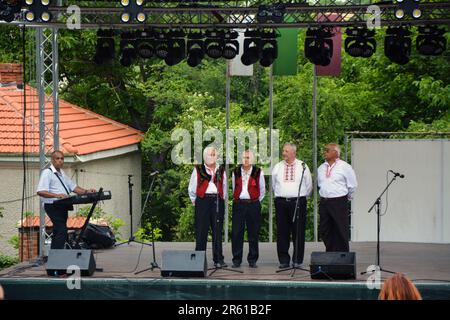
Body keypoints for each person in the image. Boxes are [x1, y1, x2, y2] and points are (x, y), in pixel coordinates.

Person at [37, 150, 96, 250]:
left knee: (58, 231)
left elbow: (74, 188)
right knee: (62, 231)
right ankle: (57, 256)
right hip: (53, 206)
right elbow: (40, 191)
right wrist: (57, 195)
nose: (60, 161)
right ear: (52, 160)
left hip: (62, 205)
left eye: (62, 158)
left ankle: (55, 255)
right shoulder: (47, 173)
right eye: (57, 158)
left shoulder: (62, 173)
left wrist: (87, 191)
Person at [272, 143, 312, 268]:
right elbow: (274, 185)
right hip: (281, 202)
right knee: (282, 232)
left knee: (298, 231)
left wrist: (300, 197)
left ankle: (297, 260)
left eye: (286, 151)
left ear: (294, 153)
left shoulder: (303, 166)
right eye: (283, 151)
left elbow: (309, 185)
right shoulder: (277, 167)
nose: (283, 153)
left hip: (298, 202)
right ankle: (284, 260)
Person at [188, 146, 227, 267]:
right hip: (203, 201)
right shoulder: (198, 169)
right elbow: (191, 188)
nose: (212, 156)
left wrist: (221, 199)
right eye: (210, 154)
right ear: (205, 156)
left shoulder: (221, 170)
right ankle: (199, 260)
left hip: (217, 201)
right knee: (201, 232)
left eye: (214, 154)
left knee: (217, 231)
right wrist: (198, 202)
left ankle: (218, 259)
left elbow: (224, 186)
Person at [317, 143, 357, 252]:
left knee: (340, 229)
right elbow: (320, 184)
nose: (324, 152)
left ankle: (343, 255)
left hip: (339, 201)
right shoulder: (321, 168)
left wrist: (345, 198)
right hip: (325, 202)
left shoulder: (345, 167)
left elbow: (352, 186)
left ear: (335, 152)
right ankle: (330, 253)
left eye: (327, 150)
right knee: (325, 229)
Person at [231, 150, 265, 268]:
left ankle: (252, 259)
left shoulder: (258, 171)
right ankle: (236, 259)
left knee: (253, 233)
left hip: (253, 204)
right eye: (244, 157)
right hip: (239, 204)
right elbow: (234, 187)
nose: (246, 160)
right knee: (236, 232)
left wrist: (254, 201)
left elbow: (262, 190)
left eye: (248, 157)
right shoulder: (235, 171)